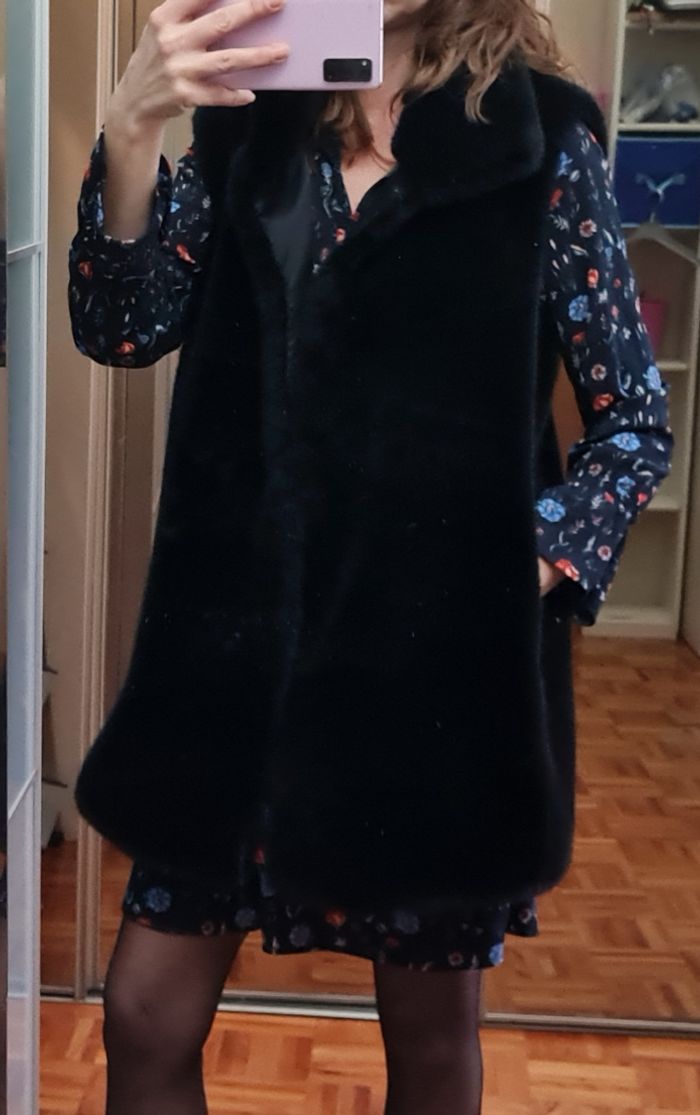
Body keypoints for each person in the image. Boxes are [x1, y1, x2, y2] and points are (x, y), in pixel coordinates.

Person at [68, 1, 673, 1113]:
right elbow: (123, 324)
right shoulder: (245, 120)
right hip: (229, 671)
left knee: (430, 1045)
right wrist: (131, 129)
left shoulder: (535, 134)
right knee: (146, 1014)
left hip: (432, 693)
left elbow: (632, 421)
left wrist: (513, 577)